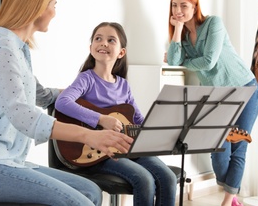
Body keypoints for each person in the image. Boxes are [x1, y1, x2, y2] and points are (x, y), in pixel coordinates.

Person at [0, 0, 133, 206]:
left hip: (8, 160)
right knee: (80, 203)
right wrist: (90, 135)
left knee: (90, 190)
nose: (55, 12)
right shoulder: (3, 50)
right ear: (36, 7)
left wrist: (83, 97)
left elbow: (40, 94)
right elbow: (24, 118)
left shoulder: (17, 49)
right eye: (53, 5)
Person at [55, 22, 177, 206]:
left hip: (127, 147)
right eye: (98, 39)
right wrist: (101, 119)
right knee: (143, 179)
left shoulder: (124, 85)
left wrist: (159, 128)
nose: (103, 43)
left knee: (168, 177)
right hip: (100, 152)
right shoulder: (86, 78)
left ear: (121, 52)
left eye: (111, 40)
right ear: (91, 48)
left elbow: (138, 120)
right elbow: (62, 102)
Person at [164, 0, 258, 206]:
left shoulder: (213, 23)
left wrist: (185, 63)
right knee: (218, 151)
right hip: (218, 98)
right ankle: (233, 195)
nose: (178, 10)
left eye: (184, 5)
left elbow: (209, 61)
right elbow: (172, 60)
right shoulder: (185, 38)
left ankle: (227, 201)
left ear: (195, 6)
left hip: (245, 88)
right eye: (174, 5)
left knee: (239, 147)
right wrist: (178, 28)